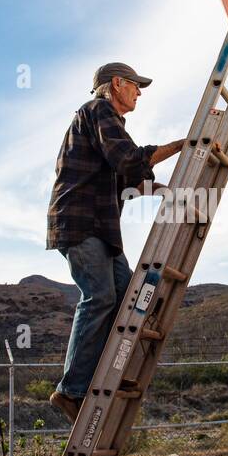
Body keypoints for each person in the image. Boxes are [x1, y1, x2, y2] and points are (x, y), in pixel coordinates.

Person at [46, 63, 186, 422]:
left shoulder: (108, 126)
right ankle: (70, 390)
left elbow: (126, 179)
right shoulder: (98, 111)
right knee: (100, 297)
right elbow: (129, 158)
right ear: (117, 84)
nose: (139, 93)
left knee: (127, 297)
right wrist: (182, 147)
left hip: (101, 229)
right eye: (136, 86)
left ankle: (102, 377)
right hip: (81, 224)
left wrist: (163, 191)